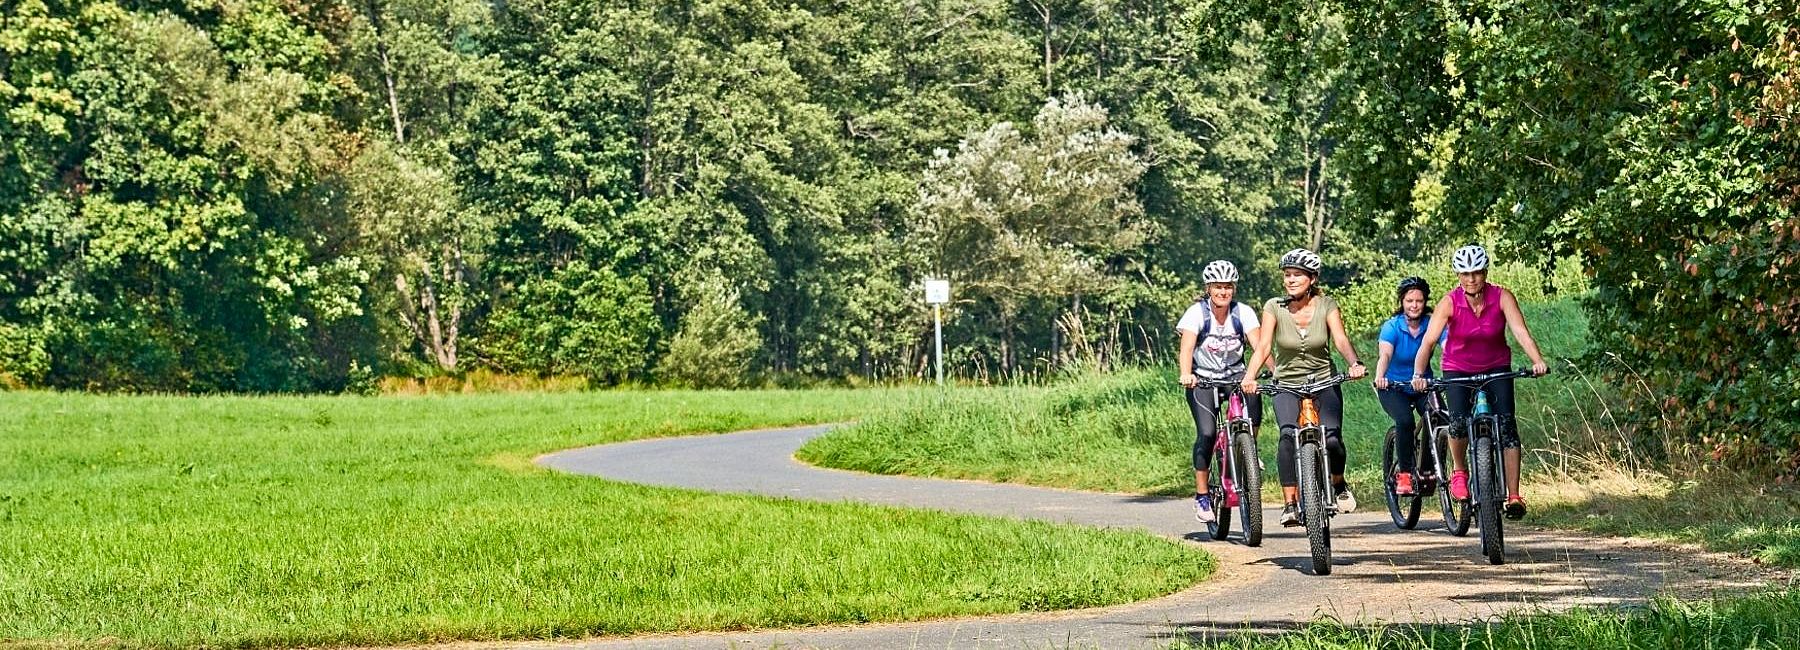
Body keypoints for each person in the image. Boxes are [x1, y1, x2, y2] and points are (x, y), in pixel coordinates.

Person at [1410, 245, 1550, 519]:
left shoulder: (1502, 297)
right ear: (1458, 275)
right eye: (1465, 273)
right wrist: (1418, 375)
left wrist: (1537, 360)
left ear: (1485, 272)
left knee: (1508, 426)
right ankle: (1460, 470)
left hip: (1497, 367)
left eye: (1476, 272)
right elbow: (1428, 342)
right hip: (1458, 369)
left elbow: (1520, 332)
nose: (1471, 278)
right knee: (1459, 423)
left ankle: (1513, 495)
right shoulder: (1449, 302)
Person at [1241, 249, 1368, 527]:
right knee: (1287, 435)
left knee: (1333, 439)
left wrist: (1355, 363)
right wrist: (1250, 376)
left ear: (1312, 279)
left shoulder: (1327, 305)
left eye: (1297, 275)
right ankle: (1290, 503)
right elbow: (1263, 346)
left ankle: (1338, 483)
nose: (1290, 280)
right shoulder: (1274, 306)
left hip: (1323, 380)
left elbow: (1340, 340)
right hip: (1286, 383)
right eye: (1287, 275)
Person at [1177, 260, 1267, 524]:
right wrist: (1186, 374)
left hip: (1235, 376)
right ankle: (1203, 495)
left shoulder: (1244, 313)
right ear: (1209, 288)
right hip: (1202, 379)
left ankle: (1250, 448)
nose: (1223, 292)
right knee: (1207, 432)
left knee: (1254, 397)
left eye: (1228, 287)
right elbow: (1186, 349)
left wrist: (1273, 370)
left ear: (1234, 289)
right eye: (1218, 287)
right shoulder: (1196, 313)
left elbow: (1260, 347)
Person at [1373, 277, 1442, 496]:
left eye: (1419, 301)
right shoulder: (1392, 326)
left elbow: (1448, 347)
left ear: (1425, 302)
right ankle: (1404, 474)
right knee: (1404, 421)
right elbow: (1385, 354)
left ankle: (1429, 470)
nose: (1414, 305)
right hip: (1394, 386)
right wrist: (1380, 376)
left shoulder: (1432, 324)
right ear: (1402, 302)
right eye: (1409, 300)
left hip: (1422, 385)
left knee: (1437, 417)